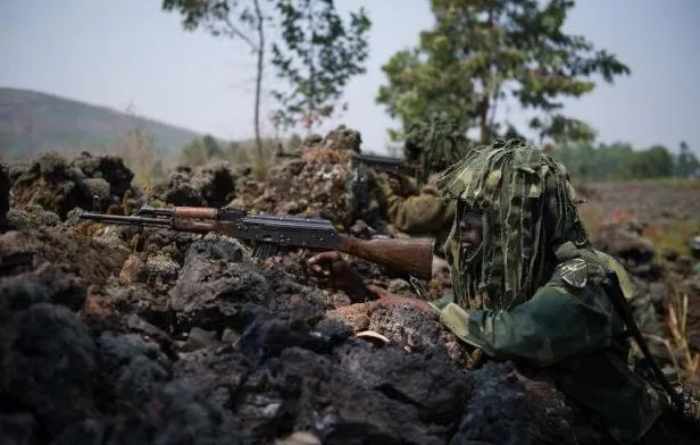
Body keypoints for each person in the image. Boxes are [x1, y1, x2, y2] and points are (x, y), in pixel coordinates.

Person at [308, 140, 680, 443]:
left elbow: (512, 333)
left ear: (521, 220)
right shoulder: (519, 272)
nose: (463, 228)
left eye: (480, 216)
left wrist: (432, 312)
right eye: (464, 213)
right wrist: (364, 290)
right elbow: (459, 312)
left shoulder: (583, 277)